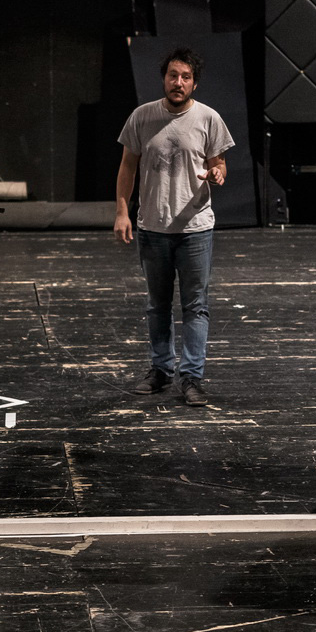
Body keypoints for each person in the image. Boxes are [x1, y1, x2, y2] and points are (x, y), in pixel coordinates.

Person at [114, 47, 234, 407]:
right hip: (153, 227)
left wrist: (217, 173)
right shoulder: (142, 117)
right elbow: (127, 167)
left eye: (185, 77)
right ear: (164, 79)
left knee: (195, 305)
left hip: (195, 228)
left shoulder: (208, 118)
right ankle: (161, 370)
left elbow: (219, 164)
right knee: (157, 305)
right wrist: (122, 211)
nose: (178, 82)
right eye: (172, 75)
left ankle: (191, 376)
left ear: (194, 83)